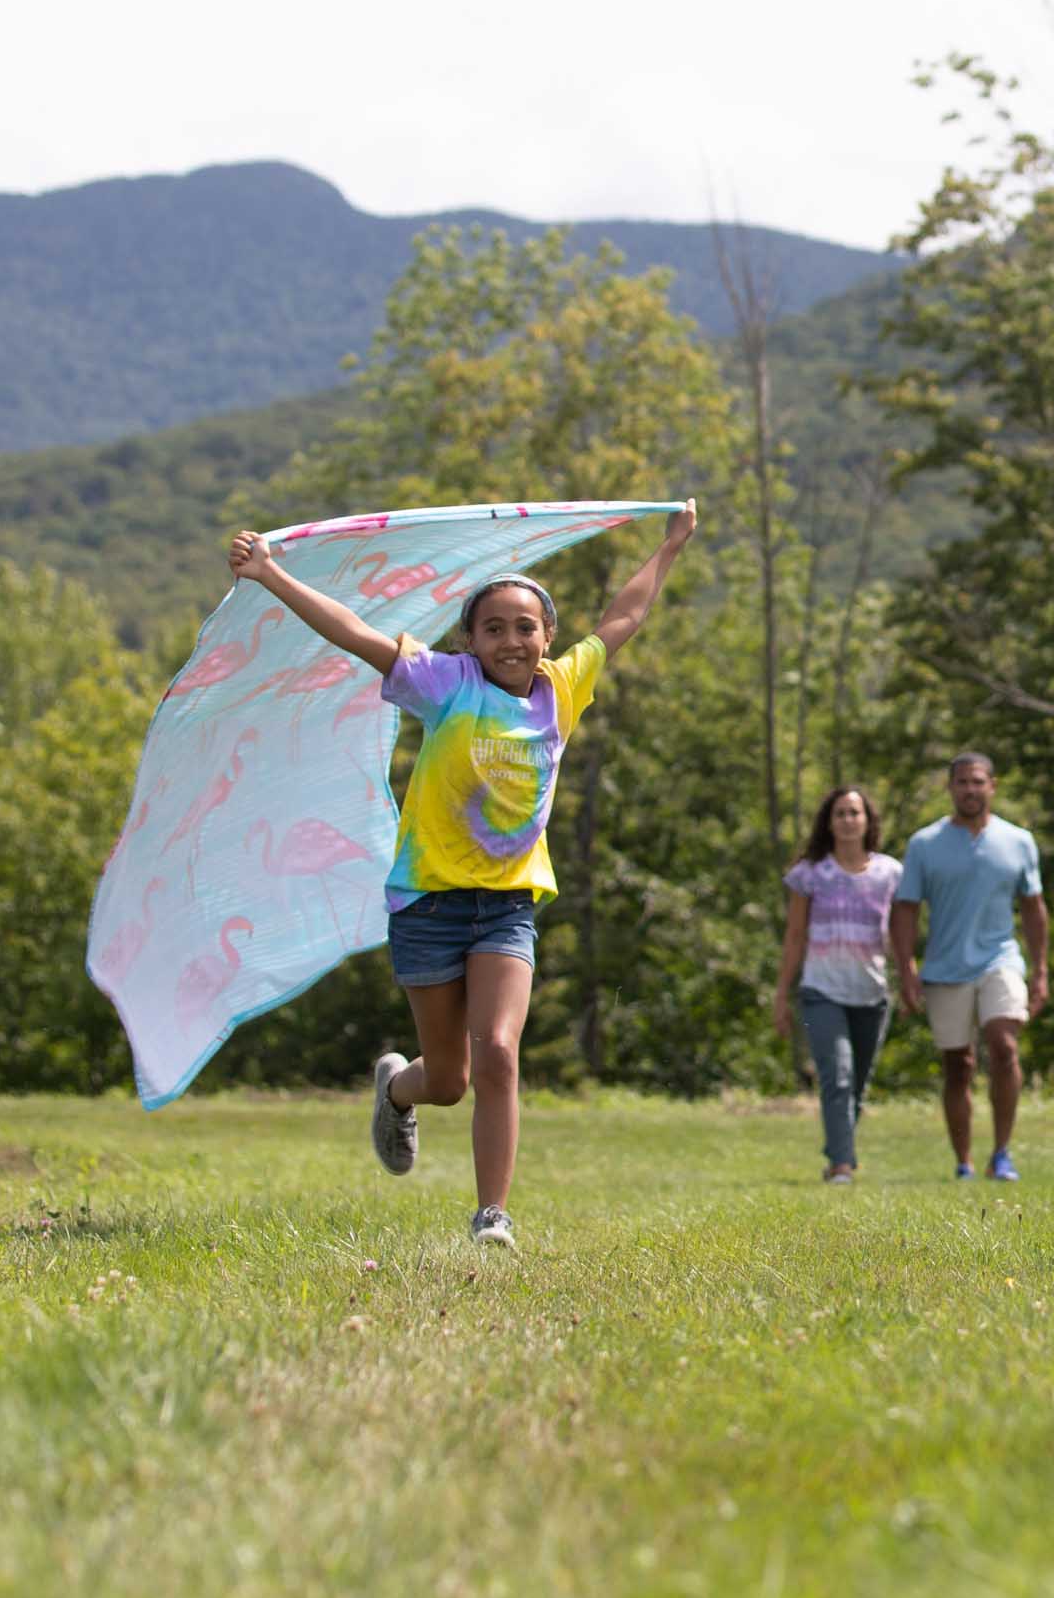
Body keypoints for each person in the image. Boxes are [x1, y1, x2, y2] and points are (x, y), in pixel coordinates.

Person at [223, 506, 698, 1246]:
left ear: (547, 636)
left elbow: (624, 616)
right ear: (470, 642)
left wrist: (670, 546)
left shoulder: (562, 689)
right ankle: (397, 1090)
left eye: (526, 626)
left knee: (500, 1052)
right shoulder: (444, 685)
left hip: (507, 907)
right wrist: (270, 574)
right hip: (427, 905)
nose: (513, 640)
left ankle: (491, 1216)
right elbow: (355, 634)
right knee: (448, 1081)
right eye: (495, 628)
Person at [887, 750, 1047, 1182]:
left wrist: (1041, 969)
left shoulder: (1018, 841)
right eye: (962, 782)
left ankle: (1002, 1153)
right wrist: (906, 969)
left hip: (1001, 958)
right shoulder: (925, 844)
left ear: (992, 786)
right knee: (958, 1065)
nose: (970, 790)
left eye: (978, 782)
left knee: (1004, 1044)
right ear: (950, 788)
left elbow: (1033, 908)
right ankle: (964, 1162)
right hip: (945, 966)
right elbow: (904, 909)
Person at [775, 783, 898, 1183]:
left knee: (857, 1085)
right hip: (821, 991)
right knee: (838, 1076)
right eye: (840, 813)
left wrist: (912, 981)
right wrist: (782, 995)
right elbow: (794, 937)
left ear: (867, 821)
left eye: (854, 812)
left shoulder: (890, 873)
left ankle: (836, 1154)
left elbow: (897, 937)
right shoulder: (810, 874)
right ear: (829, 823)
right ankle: (843, 1166)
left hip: (871, 992)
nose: (848, 820)